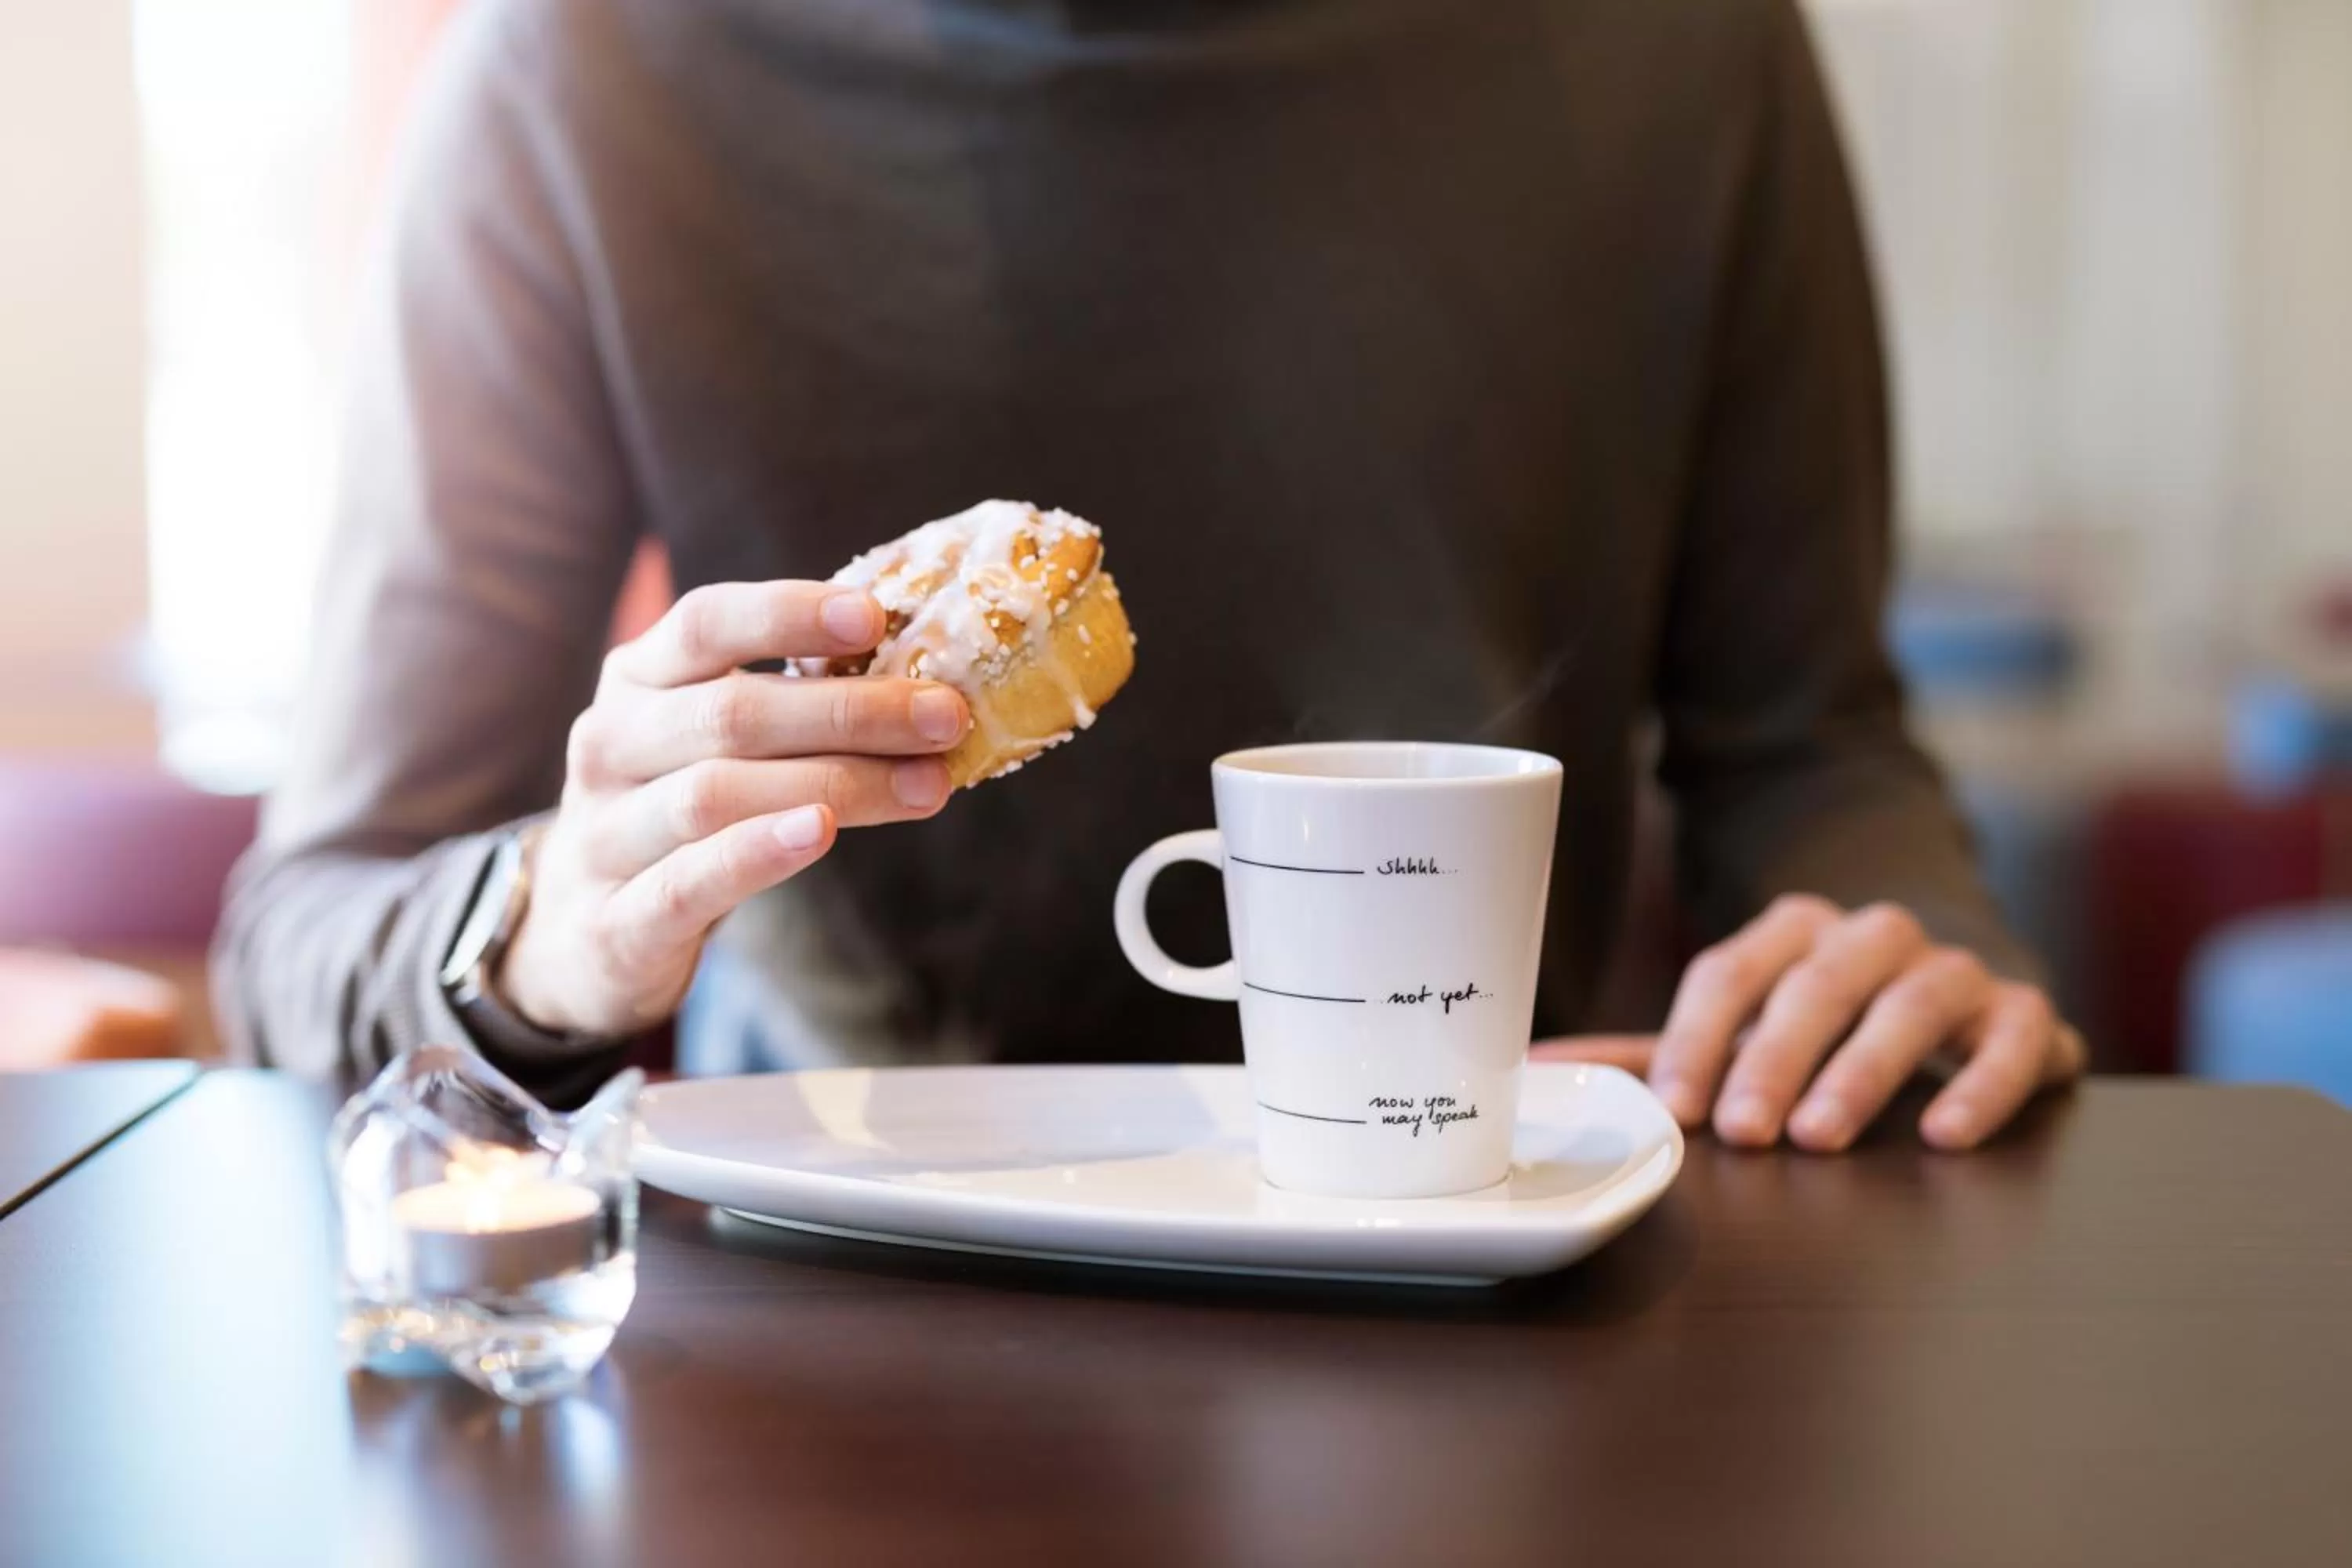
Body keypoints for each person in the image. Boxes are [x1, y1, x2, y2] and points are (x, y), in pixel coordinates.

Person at [213, 0, 2084, 1153]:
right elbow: (303, 940)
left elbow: (1811, 742)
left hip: (1472, 1229)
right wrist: (552, 932)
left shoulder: (1683, 49)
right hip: (846, 1270)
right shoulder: (582, 71)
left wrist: (1913, 961)